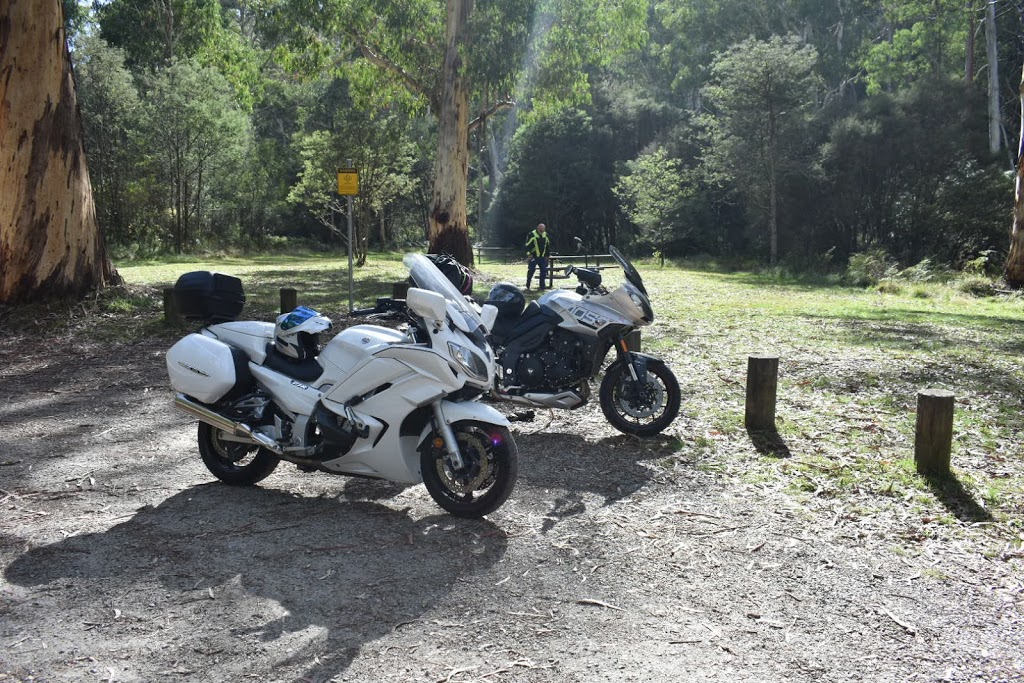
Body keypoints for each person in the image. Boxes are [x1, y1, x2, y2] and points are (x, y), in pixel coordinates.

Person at [525, 223, 551, 290]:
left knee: (544, 271)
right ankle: (528, 284)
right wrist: (529, 254)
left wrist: (547, 255)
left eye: (543, 230)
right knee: (531, 270)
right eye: (541, 230)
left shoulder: (546, 235)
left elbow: (547, 246)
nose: (542, 232)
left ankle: (542, 287)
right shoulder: (531, 234)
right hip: (533, 257)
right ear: (538, 228)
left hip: (542, 257)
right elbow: (527, 245)